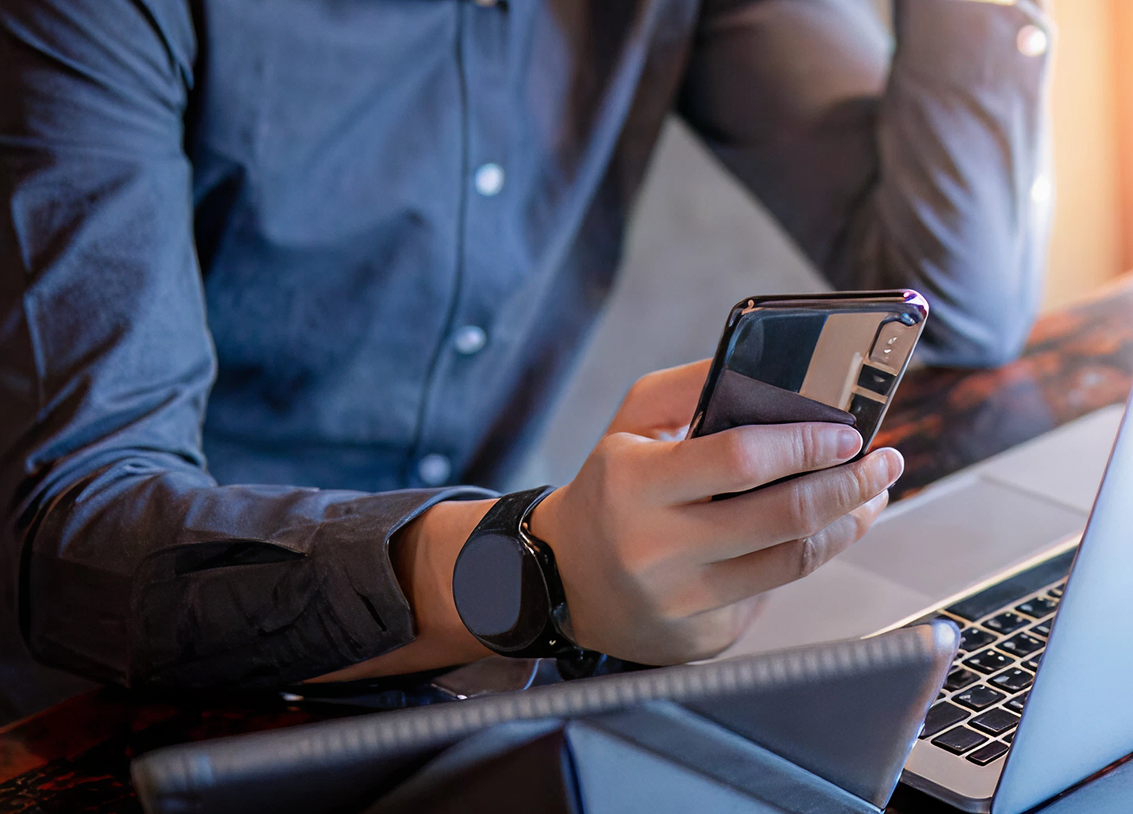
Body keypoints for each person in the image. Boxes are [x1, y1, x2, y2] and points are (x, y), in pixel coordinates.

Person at [0, 0, 1052, 722]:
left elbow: (948, 300)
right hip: (104, 713)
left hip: (459, 684)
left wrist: (547, 577)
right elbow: (73, 541)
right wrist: (534, 566)